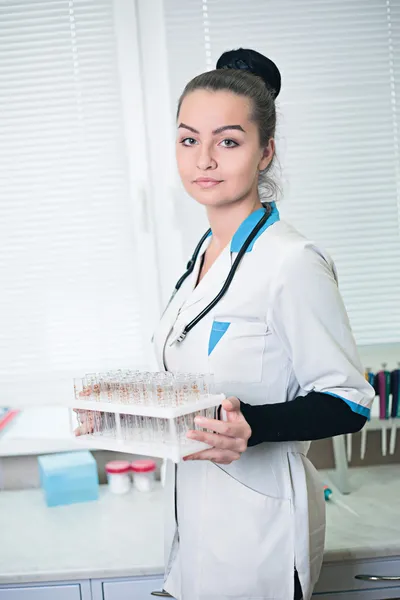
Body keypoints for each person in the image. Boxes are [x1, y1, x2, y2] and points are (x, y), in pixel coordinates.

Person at [151, 48, 375, 600]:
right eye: (188, 139)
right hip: (191, 536)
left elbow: (349, 401)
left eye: (228, 141)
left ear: (264, 151)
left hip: (261, 540)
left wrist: (250, 425)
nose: (204, 159)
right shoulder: (201, 258)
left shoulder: (292, 261)